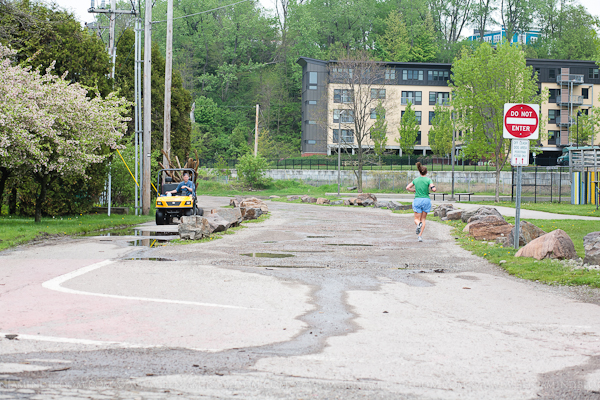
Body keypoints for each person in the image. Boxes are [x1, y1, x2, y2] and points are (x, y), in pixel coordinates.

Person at [405, 162, 436, 242]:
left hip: (417, 200)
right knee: (423, 219)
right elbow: (433, 189)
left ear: (419, 172)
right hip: (426, 200)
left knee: (416, 218)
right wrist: (433, 188)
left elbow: (407, 187)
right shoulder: (428, 180)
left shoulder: (416, 180)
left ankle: (418, 224)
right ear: (426, 172)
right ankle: (420, 236)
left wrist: (414, 190)